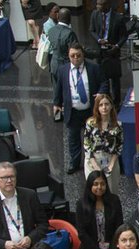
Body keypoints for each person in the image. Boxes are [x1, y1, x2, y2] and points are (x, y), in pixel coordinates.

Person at [53, 43, 108, 174]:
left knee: (94, 137)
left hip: (90, 110)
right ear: (68, 56)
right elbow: (58, 88)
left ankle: (94, 161)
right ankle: (75, 162)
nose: (76, 58)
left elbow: (104, 82)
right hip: (72, 111)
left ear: (83, 55)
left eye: (78, 55)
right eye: (72, 56)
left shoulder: (94, 68)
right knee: (73, 139)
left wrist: (101, 93)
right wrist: (56, 103)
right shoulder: (62, 70)